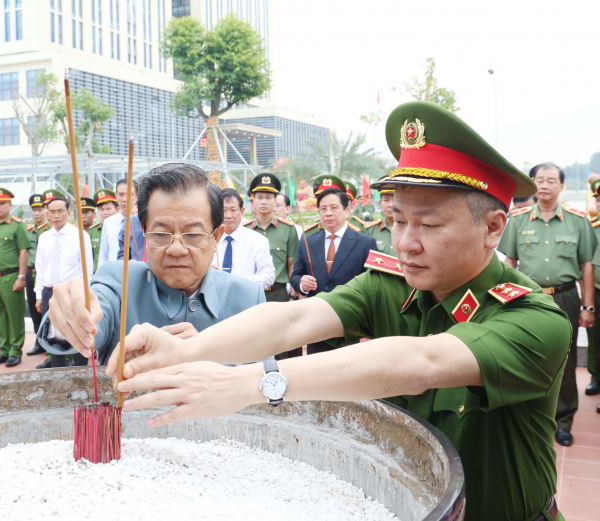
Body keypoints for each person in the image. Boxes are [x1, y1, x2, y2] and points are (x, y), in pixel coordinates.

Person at [107, 102, 571, 521]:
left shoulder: (534, 320)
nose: (405, 241)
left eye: (428, 224)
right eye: (396, 220)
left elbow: (419, 365)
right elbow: (294, 319)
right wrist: (187, 351)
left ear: (493, 228)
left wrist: (248, 384)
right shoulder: (391, 284)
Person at [40, 163, 266, 365]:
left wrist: (204, 354)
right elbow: (95, 314)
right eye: (161, 233)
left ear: (216, 237)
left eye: (193, 235)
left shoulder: (248, 298)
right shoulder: (119, 283)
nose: (176, 249)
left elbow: (262, 382)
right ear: (145, 233)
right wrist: (71, 313)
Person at [498, 162, 596, 447]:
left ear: (562, 187)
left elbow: (586, 265)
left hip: (566, 296)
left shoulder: (578, 221)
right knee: (524, 356)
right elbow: (510, 263)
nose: (544, 185)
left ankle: (563, 421)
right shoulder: (517, 219)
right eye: (539, 180)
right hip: (528, 296)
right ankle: (528, 416)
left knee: (564, 362)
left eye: (551, 180)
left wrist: (588, 307)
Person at [290, 175, 376, 354]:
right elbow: (296, 276)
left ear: (346, 210)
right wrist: (302, 284)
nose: (328, 213)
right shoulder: (308, 241)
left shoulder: (365, 243)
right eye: (323, 209)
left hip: (350, 322)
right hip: (316, 322)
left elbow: (373, 286)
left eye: (334, 208)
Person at [34, 195, 94, 369]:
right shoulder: (44, 237)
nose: (56, 216)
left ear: (68, 212)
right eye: (52, 212)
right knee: (52, 334)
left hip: (72, 293)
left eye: (60, 211)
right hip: (49, 291)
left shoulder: (80, 236)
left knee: (77, 331)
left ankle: (81, 371)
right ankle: (57, 371)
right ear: (47, 214)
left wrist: (86, 294)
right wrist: (39, 295)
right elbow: (40, 267)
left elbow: (87, 269)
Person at [0, 188, 31, 368]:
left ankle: (15, 351)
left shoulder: (17, 225)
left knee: (14, 316)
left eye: (3, 203)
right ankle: (3, 348)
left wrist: (21, 277)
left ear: (10, 205)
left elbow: (23, 252)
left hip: (10, 277)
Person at [245, 174, 299, 309]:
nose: (264, 202)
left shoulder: (288, 229)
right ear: (253, 201)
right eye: (260, 197)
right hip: (249, 294)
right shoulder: (244, 231)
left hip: (279, 295)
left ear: (275, 201)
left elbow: (292, 266)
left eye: (268, 198)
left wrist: (293, 296)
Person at [212, 188, 275, 290]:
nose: (228, 216)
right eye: (223, 210)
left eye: (233, 210)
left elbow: (268, 276)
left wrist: (239, 282)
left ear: (242, 211)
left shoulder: (258, 241)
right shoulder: (209, 239)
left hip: (245, 296)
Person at [25, 194, 49, 357]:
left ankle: (48, 344)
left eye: (40, 209)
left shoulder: (50, 230)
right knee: (34, 311)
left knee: (46, 311)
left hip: (46, 275)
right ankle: (39, 341)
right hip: (30, 274)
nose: (37, 213)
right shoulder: (28, 231)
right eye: (34, 210)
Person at [98, 179, 137, 266]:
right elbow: (104, 255)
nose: (124, 199)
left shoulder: (143, 222)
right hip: (113, 275)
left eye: (129, 195)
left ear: (137, 196)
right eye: (121, 195)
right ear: (116, 196)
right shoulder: (109, 223)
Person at [587, 180, 600, 406]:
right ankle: (596, 376)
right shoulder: (592, 228)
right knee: (595, 338)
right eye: (597, 199)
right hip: (597, 291)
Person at [88, 188, 118, 273]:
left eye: (108, 209)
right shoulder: (92, 231)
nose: (105, 213)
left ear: (117, 209)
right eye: (101, 209)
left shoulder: (123, 229)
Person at [362, 182, 395, 255]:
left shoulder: (412, 231)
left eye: (395, 200)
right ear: (380, 203)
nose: (390, 205)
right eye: (386, 200)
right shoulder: (369, 230)